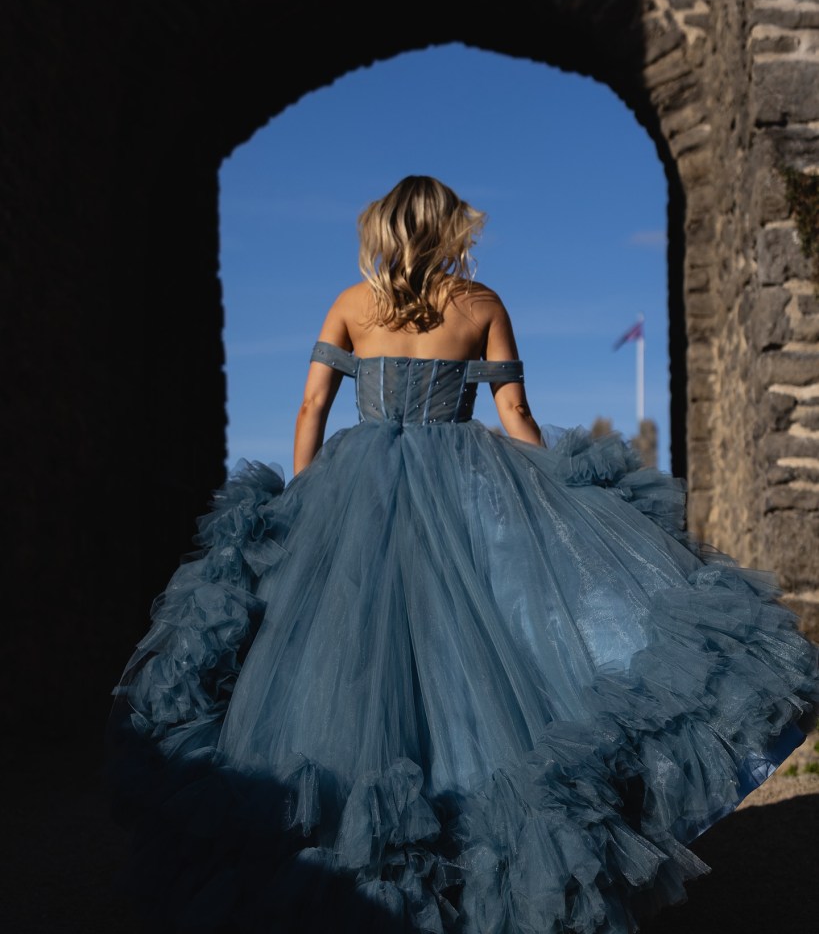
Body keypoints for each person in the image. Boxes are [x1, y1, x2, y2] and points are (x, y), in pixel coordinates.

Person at [107, 175, 819, 934]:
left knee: (347, 652)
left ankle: (345, 850)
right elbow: (515, 413)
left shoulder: (351, 305)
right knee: (472, 647)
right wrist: (559, 497)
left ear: (383, 229)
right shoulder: (480, 305)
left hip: (354, 492)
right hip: (465, 485)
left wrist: (304, 499)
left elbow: (312, 405)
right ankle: (478, 864)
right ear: (452, 230)